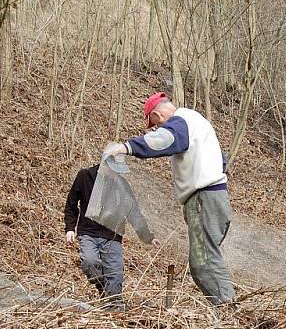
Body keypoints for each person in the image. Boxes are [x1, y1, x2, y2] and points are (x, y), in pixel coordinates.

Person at [103, 92, 235, 305]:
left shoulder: (180, 122)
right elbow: (222, 159)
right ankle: (228, 311)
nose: (155, 129)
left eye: (154, 124)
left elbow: (164, 140)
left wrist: (125, 147)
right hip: (216, 197)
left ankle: (230, 314)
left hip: (204, 200)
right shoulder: (197, 122)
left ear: (158, 115)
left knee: (203, 264)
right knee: (208, 259)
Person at [64, 157, 158, 311]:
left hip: (113, 235)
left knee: (115, 273)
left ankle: (114, 309)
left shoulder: (122, 185)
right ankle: (104, 290)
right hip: (88, 232)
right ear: (105, 166)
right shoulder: (85, 176)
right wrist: (70, 228)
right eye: (115, 170)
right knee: (89, 262)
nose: (117, 174)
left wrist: (148, 237)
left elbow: (134, 212)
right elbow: (71, 204)